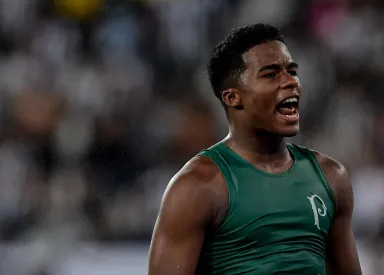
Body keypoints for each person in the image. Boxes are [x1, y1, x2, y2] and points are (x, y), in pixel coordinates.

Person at [148, 23, 362, 275]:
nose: (290, 82)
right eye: (271, 74)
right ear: (232, 97)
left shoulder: (330, 177)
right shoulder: (198, 186)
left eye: (292, 71)